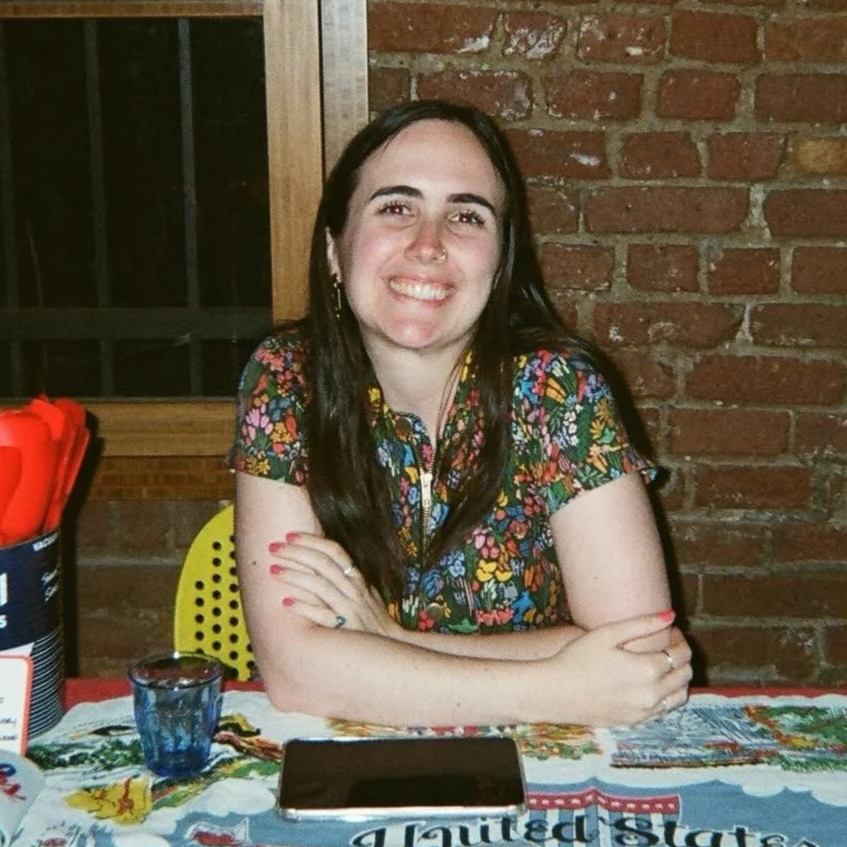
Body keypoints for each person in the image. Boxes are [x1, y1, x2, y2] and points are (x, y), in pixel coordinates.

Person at [228, 99, 692, 728]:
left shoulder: (558, 389)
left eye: (466, 216)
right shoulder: (287, 379)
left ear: (500, 264)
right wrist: (560, 684)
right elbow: (295, 672)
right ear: (336, 249)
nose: (429, 244)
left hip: (537, 757)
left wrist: (388, 639)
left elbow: (642, 658)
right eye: (396, 207)